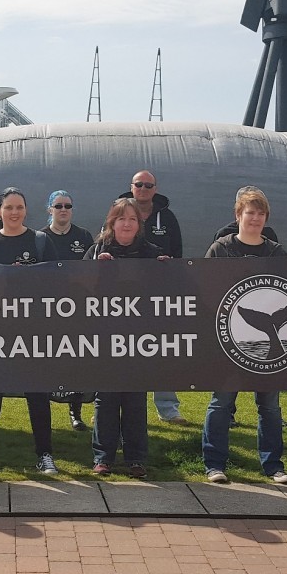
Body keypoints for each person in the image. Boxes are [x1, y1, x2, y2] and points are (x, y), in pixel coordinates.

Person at [201, 186, 287, 484]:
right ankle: (214, 464)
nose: (255, 218)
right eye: (249, 212)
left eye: (260, 213)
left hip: (268, 346)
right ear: (238, 215)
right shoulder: (220, 248)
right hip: (228, 343)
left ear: (267, 218)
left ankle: (273, 466)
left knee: (269, 405)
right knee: (222, 403)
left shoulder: (276, 252)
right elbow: (205, 289)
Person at [0, 187, 60, 476]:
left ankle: (45, 454)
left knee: (37, 394)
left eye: (19, 207)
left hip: (32, 332)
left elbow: (55, 283)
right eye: (9, 207)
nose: (14, 212)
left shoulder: (42, 241)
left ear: (26, 210)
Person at [85, 198, 168, 478]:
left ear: (139, 224)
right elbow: (78, 291)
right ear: (112, 222)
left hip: (139, 339)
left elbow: (165, 293)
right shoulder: (97, 250)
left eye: (132, 219)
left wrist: (167, 272)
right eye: (121, 218)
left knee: (135, 399)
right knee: (106, 399)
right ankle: (103, 457)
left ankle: (135, 459)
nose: (127, 223)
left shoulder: (151, 252)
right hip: (105, 338)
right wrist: (95, 269)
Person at [118, 170, 187, 425]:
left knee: (162, 350)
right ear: (131, 187)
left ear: (155, 189)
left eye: (149, 185)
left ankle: (168, 408)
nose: (144, 189)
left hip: (158, 296)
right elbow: (106, 244)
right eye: (139, 184)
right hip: (123, 297)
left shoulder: (167, 218)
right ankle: (112, 405)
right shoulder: (119, 211)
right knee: (120, 351)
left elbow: (177, 254)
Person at [40, 190, 95, 431]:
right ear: (49, 209)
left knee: (76, 358)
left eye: (68, 206)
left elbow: (92, 272)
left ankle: (76, 412)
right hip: (47, 308)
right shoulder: (39, 237)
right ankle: (42, 411)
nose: (64, 210)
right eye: (58, 205)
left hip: (76, 307)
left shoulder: (83, 236)